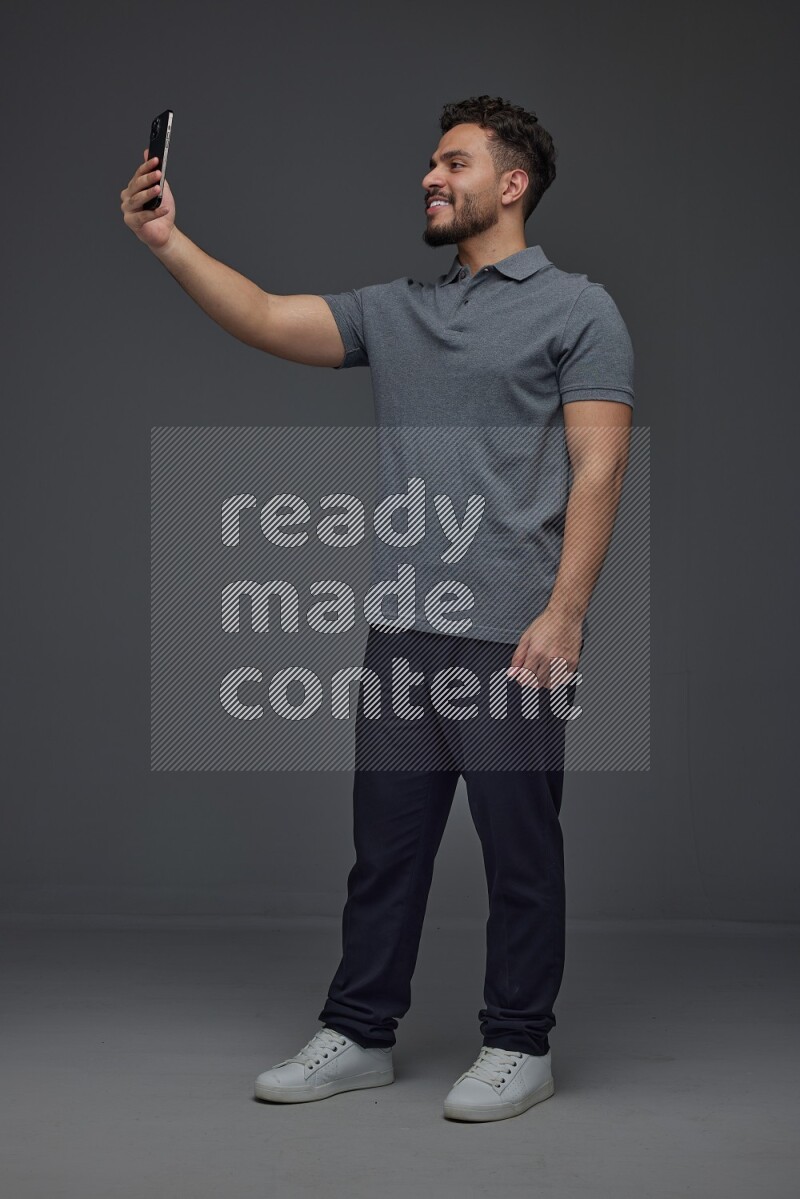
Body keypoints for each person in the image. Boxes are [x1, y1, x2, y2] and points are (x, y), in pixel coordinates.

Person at [121, 94, 634, 1123]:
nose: (429, 178)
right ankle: (358, 1030)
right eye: (430, 164)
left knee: (519, 853)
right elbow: (266, 314)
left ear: (511, 182)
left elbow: (597, 464)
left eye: (451, 163)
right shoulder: (400, 312)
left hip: (511, 635)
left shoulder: (579, 309)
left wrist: (565, 612)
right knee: (385, 850)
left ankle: (516, 1042)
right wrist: (169, 242)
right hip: (402, 631)